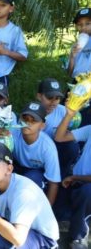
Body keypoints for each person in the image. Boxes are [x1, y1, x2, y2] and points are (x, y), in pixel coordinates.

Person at [0, 141, 59, 249]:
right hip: (18, 232)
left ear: (9, 169)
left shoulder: (24, 192)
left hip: (43, 241)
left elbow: (18, 240)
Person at [54, 106, 91, 248]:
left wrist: (75, 177)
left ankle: (79, 236)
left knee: (87, 192)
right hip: (74, 180)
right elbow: (59, 137)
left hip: (84, 184)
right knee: (59, 214)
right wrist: (69, 115)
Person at [12, 101, 61, 205]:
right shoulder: (11, 132)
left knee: (32, 179)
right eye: (25, 119)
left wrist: (48, 210)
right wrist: (0, 135)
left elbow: (54, 182)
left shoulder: (48, 147)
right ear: (19, 119)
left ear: (42, 125)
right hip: (15, 166)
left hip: (36, 172)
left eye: (33, 121)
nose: (28, 123)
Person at [36, 78, 80, 178]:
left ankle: (63, 173)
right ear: (39, 96)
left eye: (57, 98)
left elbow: (70, 132)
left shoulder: (64, 111)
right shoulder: (31, 112)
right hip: (38, 151)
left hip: (57, 148)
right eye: (49, 97)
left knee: (72, 147)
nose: (53, 102)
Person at [68, 8, 91, 79]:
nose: (83, 27)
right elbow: (70, 73)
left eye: (88, 23)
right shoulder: (75, 46)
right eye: (80, 24)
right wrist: (72, 57)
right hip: (77, 83)